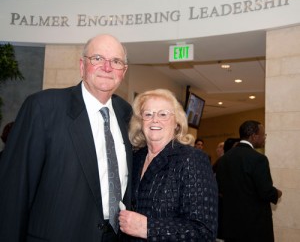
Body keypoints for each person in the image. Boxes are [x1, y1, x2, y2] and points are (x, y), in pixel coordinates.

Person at [0, 34, 133, 242]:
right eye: (97, 58)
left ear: (123, 72)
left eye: (116, 61)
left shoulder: (125, 113)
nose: (107, 67)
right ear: (82, 65)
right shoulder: (43, 107)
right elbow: (13, 192)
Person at [119, 89, 218, 241]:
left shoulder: (192, 159)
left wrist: (149, 228)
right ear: (140, 122)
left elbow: (203, 231)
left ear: (177, 123)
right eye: (148, 114)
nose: (154, 120)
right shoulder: (135, 158)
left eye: (163, 114)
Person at [216, 120, 282, 242]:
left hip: (231, 227)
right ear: (253, 136)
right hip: (254, 228)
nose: (264, 138)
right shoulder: (258, 159)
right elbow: (265, 191)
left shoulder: (223, 160)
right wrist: (277, 193)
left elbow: (220, 189)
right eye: (263, 135)